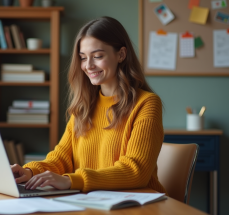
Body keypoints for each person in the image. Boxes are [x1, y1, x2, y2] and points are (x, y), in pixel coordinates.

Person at [11, 16, 166, 194]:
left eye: (98, 56)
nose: (88, 66)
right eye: (83, 58)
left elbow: (136, 171)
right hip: (92, 202)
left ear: (121, 55)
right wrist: (30, 171)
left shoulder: (146, 103)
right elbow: (61, 158)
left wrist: (72, 180)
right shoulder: (84, 105)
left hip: (139, 204)